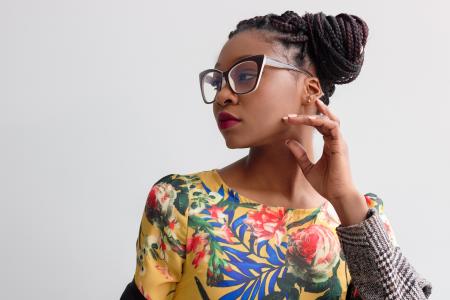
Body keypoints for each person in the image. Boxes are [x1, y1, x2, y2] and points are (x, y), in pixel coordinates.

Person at [121, 11, 432, 299]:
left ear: (310, 89)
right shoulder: (181, 202)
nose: (222, 95)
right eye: (218, 82)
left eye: (244, 75)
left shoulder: (358, 217)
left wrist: (345, 200)